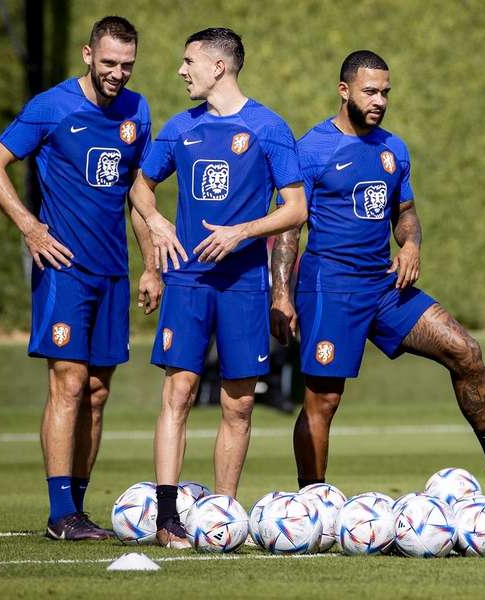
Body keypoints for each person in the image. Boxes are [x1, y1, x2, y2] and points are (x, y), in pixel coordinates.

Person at [270, 50, 485, 494]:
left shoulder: (394, 149)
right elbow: (289, 230)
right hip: (330, 288)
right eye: (370, 91)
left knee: (465, 351)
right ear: (344, 91)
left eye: (385, 92)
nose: (379, 100)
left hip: (384, 286)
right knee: (323, 399)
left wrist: (412, 243)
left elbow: (406, 212)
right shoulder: (310, 150)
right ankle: (312, 500)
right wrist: (281, 296)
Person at [0, 16, 159, 540]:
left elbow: (137, 198)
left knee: (98, 392)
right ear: (87, 55)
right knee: (69, 382)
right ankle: (60, 512)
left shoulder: (137, 110)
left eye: (126, 64)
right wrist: (31, 228)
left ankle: (77, 512)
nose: (117, 74)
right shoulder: (51, 107)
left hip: (114, 273)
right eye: (108, 63)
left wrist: (149, 264)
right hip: (64, 270)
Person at [128, 28, 307, 548]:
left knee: (240, 404)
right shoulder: (178, 127)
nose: (181, 71)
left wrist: (241, 232)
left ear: (218, 67)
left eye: (189, 62)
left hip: (244, 285)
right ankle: (167, 519)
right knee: (178, 391)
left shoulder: (268, 127)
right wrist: (157, 229)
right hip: (186, 280)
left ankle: (222, 517)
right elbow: (141, 187)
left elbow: (295, 208)